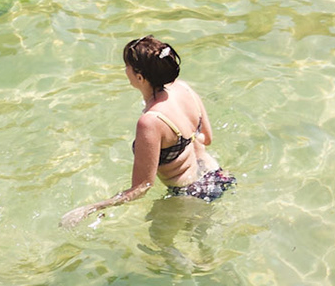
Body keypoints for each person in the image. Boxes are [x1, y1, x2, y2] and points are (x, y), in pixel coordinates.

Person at [61, 36, 234, 228]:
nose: (125, 70)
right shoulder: (184, 88)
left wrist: (90, 208)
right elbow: (206, 139)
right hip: (218, 176)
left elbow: (142, 187)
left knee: (158, 241)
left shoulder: (150, 122)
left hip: (191, 194)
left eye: (127, 66)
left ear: (140, 77)